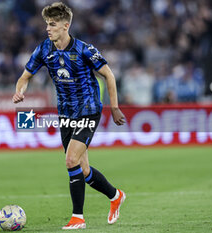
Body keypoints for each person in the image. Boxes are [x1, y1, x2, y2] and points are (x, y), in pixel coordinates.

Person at [12, 2, 126, 229]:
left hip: (89, 110)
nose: (48, 28)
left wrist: (114, 107)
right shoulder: (44, 49)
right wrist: (19, 91)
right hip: (64, 113)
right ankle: (115, 196)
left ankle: (78, 217)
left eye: (52, 24)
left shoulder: (85, 49)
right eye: (46, 24)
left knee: (70, 160)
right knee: (83, 169)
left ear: (66, 26)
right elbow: (25, 77)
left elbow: (109, 75)